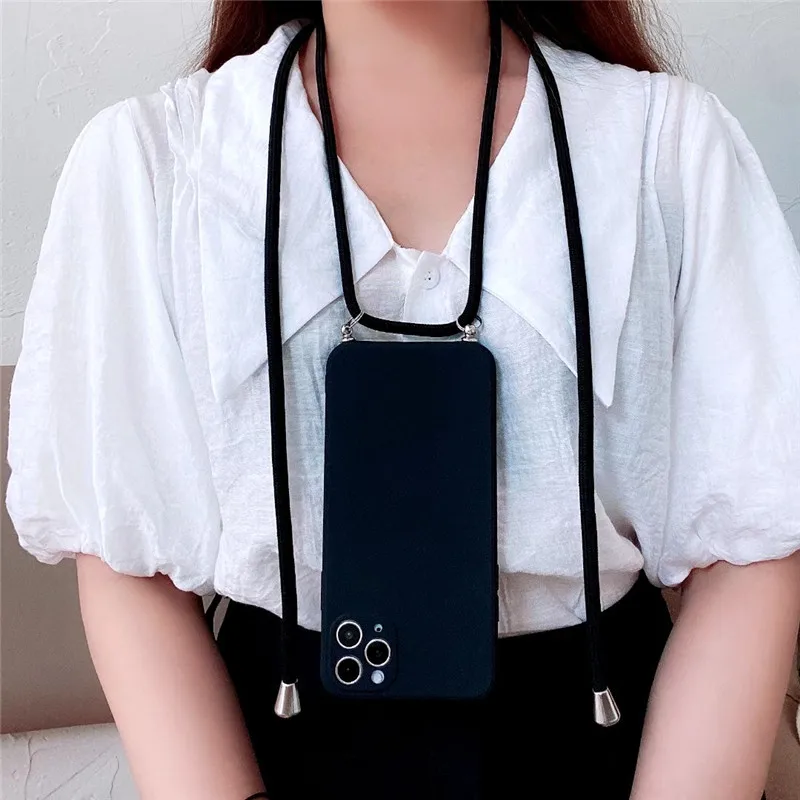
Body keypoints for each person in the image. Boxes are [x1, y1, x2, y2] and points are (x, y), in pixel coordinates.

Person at [7, 1, 800, 798]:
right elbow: (127, 560)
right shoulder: (155, 164)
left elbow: (750, 538)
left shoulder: (667, 149)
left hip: (610, 740)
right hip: (276, 741)